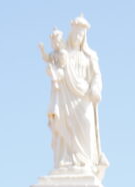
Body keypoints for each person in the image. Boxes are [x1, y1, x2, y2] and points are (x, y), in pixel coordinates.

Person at [39, 14, 107, 175]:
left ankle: (86, 162)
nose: (77, 37)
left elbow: (96, 75)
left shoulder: (90, 56)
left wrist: (96, 88)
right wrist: (53, 72)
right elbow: (56, 67)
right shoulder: (64, 54)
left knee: (87, 123)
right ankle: (66, 161)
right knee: (64, 126)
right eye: (76, 33)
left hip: (84, 96)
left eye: (81, 35)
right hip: (66, 96)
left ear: (84, 37)